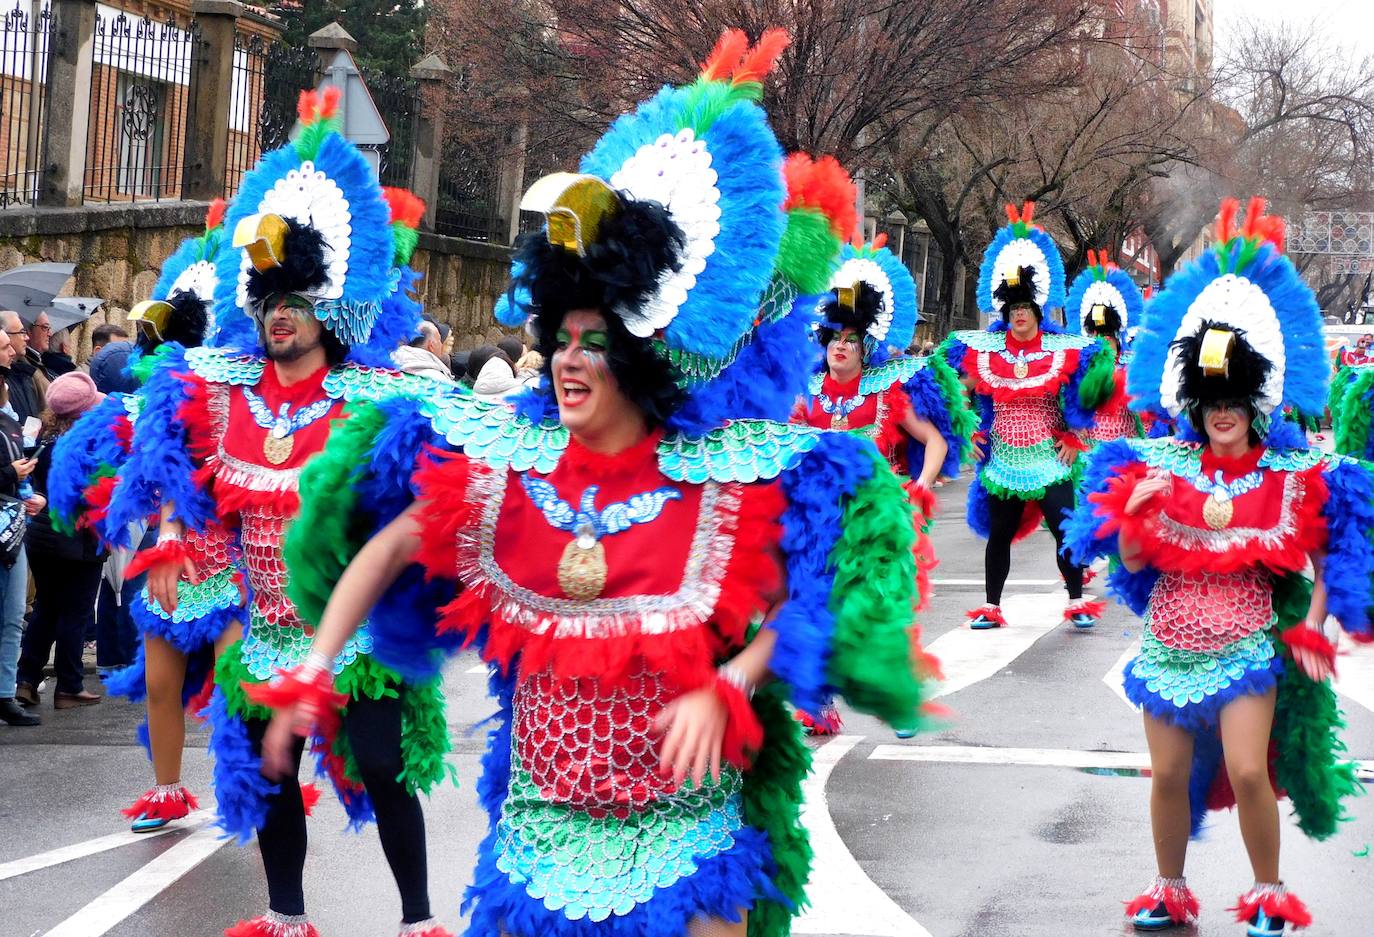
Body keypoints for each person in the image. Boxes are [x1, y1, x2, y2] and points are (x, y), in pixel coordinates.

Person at [261, 31, 934, 937]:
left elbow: (814, 596)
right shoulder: (509, 468)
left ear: (642, 353)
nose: (568, 360)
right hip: (538, 844)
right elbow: (390, 545)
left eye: (593, 341)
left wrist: (732, 681)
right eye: (562, 337)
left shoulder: (730, 479)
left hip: (687, 836)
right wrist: (314, 663)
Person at [100, 89, 452, 937]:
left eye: (295, 302)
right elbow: (174, 470)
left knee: (380, 761)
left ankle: (416, 919)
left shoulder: (379, 393)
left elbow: (436, 479)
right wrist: (176, 540)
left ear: (327, 309)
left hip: (352, 626)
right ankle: (287, 911)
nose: (281, 315)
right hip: (265, 628)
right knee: (269, 769)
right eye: (269, 303)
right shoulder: (220, 397)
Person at [1066, 198, 1374, 936]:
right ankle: (1169, 887)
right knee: (1169, 774)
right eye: (1211, 400)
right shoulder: (1159, 465)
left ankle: (1268, 890)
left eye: (1234, 398)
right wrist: (1135, 514)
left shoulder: (1290, 471)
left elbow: (1331, 546)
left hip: (1245, 647)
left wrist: (1312, 623)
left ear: (1256, 401)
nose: (1222, 412)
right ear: (1193, 403)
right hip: (1169, 641)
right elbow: (1135, 564)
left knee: (1243, 769)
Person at [49, 200, 244, 831]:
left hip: (238, 562)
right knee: (162, 684)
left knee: (243, 692)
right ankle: (165, 788)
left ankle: (253, 787)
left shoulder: (247, 397)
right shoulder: (159, 400)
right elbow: (149, 466)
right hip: (174, 559)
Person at [792, 234, 973, 736]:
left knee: (879, 609)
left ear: (865, 347)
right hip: (820, 517)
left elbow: (933, 441)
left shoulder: (885, 389)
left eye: (850, 341)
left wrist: (920, 486)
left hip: (876, 518)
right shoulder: (806, 392)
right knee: (816, 605)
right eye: (834, 340)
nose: (840, 349)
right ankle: (817, 702)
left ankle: (897, 696)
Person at [940, 202, 1115, 631]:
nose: (1019, 313)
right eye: (1012, 307)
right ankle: (991, 605)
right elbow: (951, 384)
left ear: (1038, 311)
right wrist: (970, 431)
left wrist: (1075, 435)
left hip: (1049, 455)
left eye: (1025, 307)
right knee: (999, 535)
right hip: (1001, 457)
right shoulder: (984, 350)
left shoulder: (1064, 349)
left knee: (1063, 528)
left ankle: (1075, 599)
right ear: (1004, 311)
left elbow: (1092, 383)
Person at [15, 372, 108, 709]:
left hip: (40, 535)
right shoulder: (87, 445)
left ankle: (26, 679)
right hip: (78, 537)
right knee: (75, 612)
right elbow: (95, 494)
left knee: (47, 607)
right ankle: (69, 685)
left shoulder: (40, 434)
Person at [0, 326, 42, 725]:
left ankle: (5, 692)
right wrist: (9, 474)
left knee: (14, 613)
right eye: (4, 346)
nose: (13, 351)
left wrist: (26, 488)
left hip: (12, 526)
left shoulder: (9, 417)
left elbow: (18, 470)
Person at [1066, 250, 1145, 445]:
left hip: (1125, 451)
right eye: (1097, 336)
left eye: (1107, 336)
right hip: (1089, 453)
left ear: (1118, 337)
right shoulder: (1077, 367)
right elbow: (1067, 404)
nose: (1102, 341)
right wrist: (1075, 425)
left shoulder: (1133, 365)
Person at [2, 309, 48, 427]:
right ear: (4, 335)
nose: (26, 337)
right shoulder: (8, 380)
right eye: (22, 332)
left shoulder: (26, 374)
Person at [88, 323, 137, 394]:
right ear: (98, 351)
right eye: (116, 348)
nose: (124, 354)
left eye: (124, 346)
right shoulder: (82, 382)